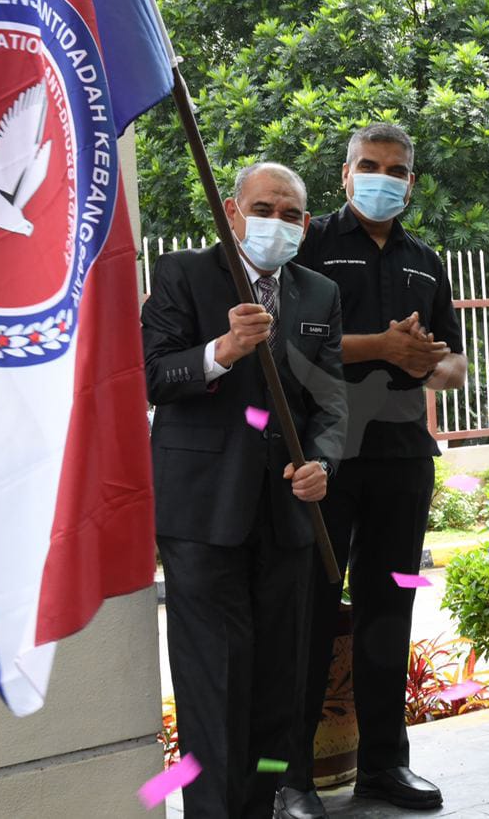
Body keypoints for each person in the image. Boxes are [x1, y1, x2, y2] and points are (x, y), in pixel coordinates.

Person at [142, 162, 346, 819]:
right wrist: (221, 350)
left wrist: (321, 462)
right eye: (264, 209)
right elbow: (150, 376)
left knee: (275, 693)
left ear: (306, 224)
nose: (276, 224)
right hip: (203, 516)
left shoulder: (318, 293)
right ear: (232, 213)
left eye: (290, 214)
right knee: (215, 689)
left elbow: (332, 404)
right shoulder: (183, 275)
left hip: (288, 519)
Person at [281, 123, 467, 815]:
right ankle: (291, 777)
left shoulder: (425, 259)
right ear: (345, 173)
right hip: (322, 461)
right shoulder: (312, 243)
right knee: (310, 614)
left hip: (402, 460)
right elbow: (290, 341)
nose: (382, 177)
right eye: (370, 165)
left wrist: (427, 363)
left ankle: (385, 767)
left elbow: (453, 362)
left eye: (396, 169)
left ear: (411, 183)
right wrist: (382, 346)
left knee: (390, 613)